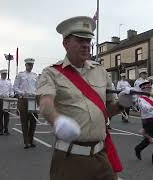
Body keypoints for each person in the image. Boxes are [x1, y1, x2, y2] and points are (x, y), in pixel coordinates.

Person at [36, 16, 124, 180]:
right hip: (70, 159)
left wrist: (122, 104)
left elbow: (108, 110)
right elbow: (45, 103)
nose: (86, 45)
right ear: (65, 44)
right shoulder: (51, 73)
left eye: (88, 40)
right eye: (80, 40)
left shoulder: (101, 72)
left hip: (101, 157)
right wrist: (57, 120)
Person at [134, 79, 153, 166]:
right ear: (143, 89)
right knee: (148, 140)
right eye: (147, 88)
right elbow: (144, 107)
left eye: (150, 87)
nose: (149, 89)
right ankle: (138, 149)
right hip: (148, 122)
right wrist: (151, 109)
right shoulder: (141, 99)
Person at [13, 58, 39, 149]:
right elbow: (15, 88)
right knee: (24, 122)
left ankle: (31, 140)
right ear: (25, 65)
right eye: (28, 64)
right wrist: (22, 93)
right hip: (23, 99)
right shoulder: (20, 75)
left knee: (33, 121)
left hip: (33, 100)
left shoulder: (35, 75)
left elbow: (37, 87)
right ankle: (26, 142)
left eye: (31, 65)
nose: (30, 66)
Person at [0, 69, 13, 135]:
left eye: (5, 74)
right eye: (3, 74)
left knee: (7, 116)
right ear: (1, 74)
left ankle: (6, 129)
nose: (5, 75)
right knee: (0, 115)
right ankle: (1, 129)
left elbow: (11, 90)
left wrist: (12, 94)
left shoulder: (9, 82)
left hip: (7, 99)